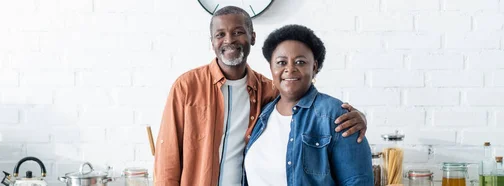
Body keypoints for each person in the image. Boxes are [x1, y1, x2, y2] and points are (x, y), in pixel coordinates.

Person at [154, 6, 369, 186]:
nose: (229, 40)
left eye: (238, 32)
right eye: (220, 34)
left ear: (252, 37)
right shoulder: (187, 86)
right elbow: (167, 160)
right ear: (212, 42)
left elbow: (305, 106)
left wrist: (358, 117)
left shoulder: (269, 91)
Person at [243, 24, 373, 186]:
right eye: (281, 62)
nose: (290, 69)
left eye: (300, 62)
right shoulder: (262, 114)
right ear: (271, 68)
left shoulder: (336, 116)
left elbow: (358, 181)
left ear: (314, 67)